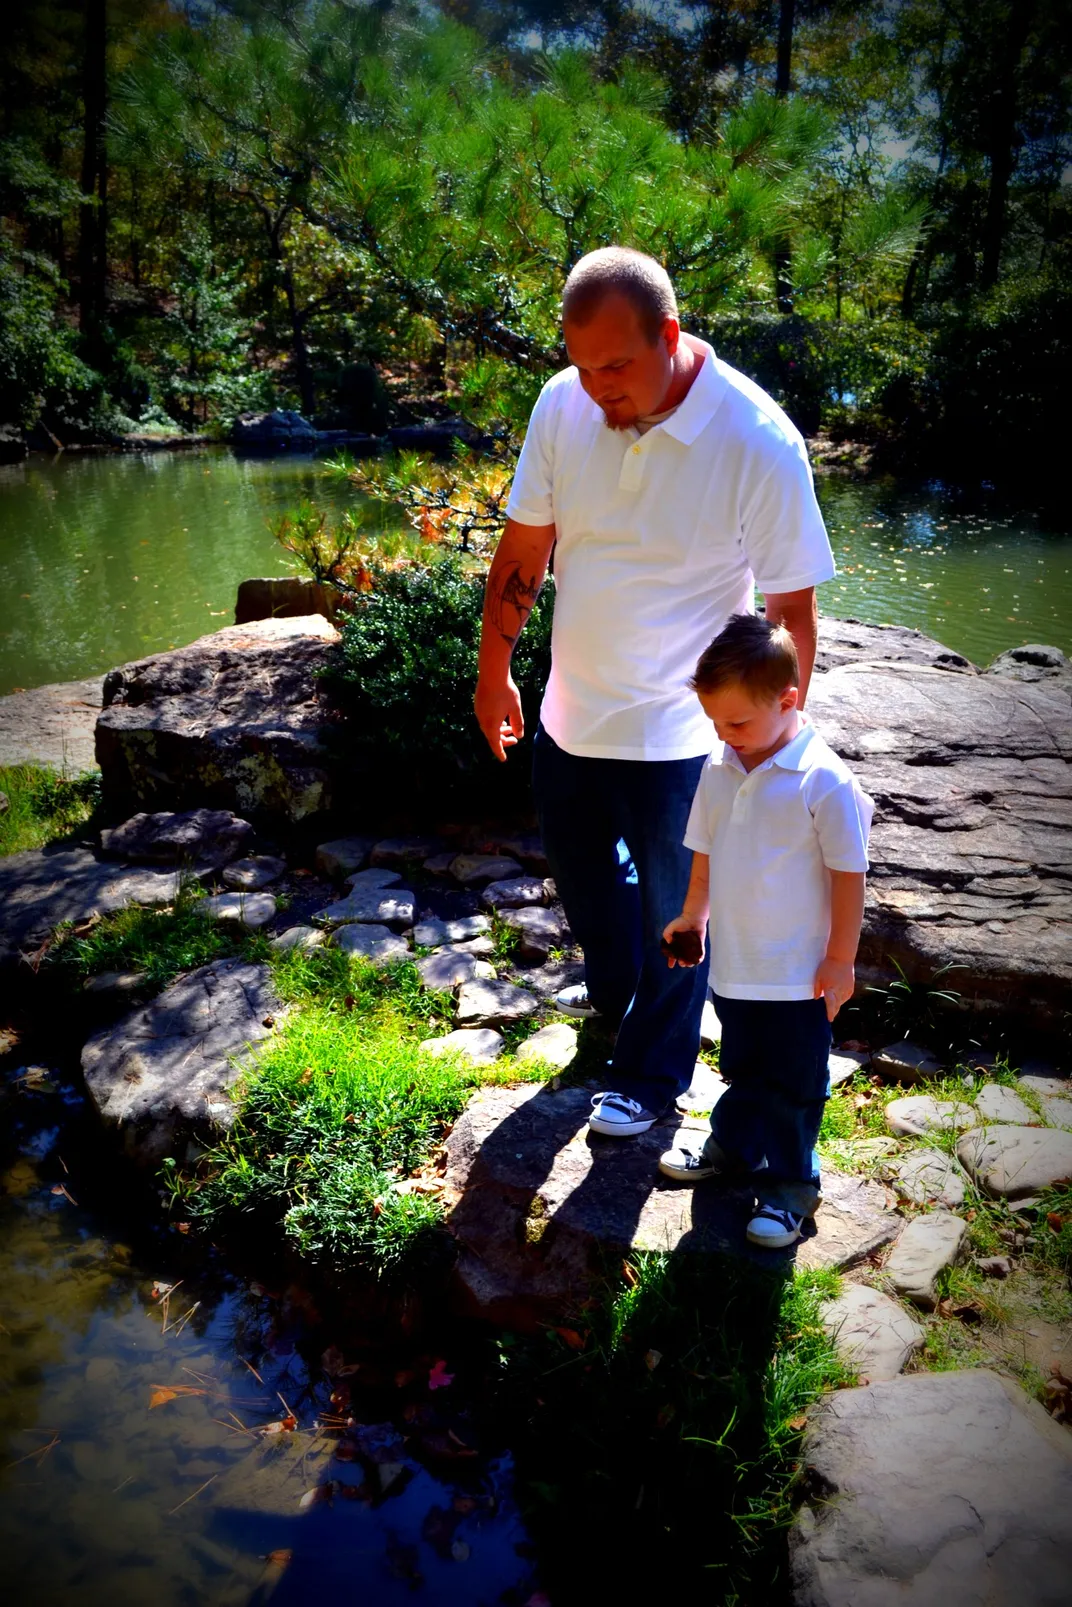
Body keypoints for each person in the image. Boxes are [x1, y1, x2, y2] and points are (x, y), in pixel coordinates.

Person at [473, 246, 836, 1139]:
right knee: (593, 890)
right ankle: (627, 1005)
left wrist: (769, 746)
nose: (597, 387)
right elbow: (525, 551)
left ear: (668, 336)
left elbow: (790, 609)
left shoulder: (756, 438)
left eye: (617, 365)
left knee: (681, 916)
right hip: (570, 718)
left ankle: (652, 1073)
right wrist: (493, 668)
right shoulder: (562, 405)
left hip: (683, 738)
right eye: (582, 363)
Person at [658, 613, 874, 1248]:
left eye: (739, 723)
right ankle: (734, 1145)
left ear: (788, 700)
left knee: (795, 1085)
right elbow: (706, 851)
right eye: (716, 723)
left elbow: (848, 875)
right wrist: (693, 917)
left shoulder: (823, 781)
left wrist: (840, 960)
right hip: (737, 965)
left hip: (800, 974)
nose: (727, 736)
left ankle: (788, 1187)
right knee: (744, 1066)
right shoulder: (721, 766)